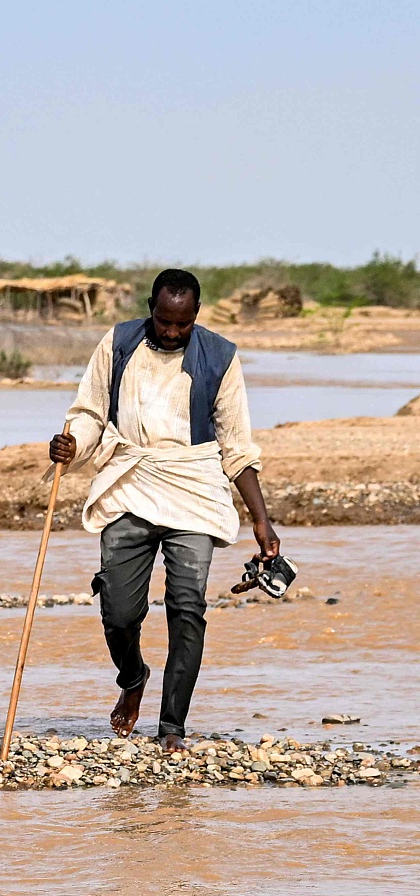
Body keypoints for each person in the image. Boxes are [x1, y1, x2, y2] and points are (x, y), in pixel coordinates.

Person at [49, 269, 279, 750]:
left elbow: (237, 447)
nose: (171, 332)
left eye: (182, 324)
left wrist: (261, 519)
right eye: (163, 321)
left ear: (197, 315)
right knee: (118, 612)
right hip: (129, 481)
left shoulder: (221, 357)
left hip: (194, 489)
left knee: (187, 609)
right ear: (150, 307)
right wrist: (73, 443)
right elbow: (90, 413)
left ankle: (172, 727)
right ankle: (133, 678)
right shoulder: (118, 343)